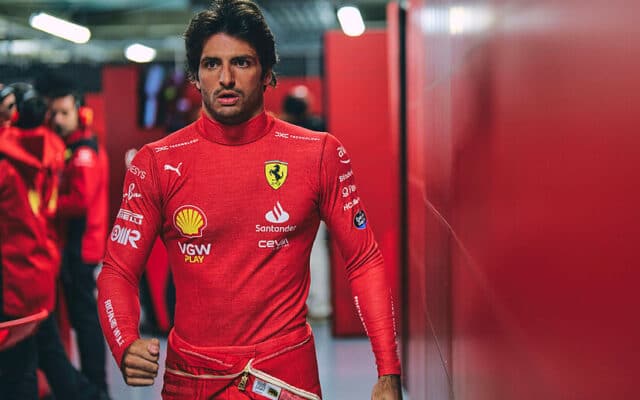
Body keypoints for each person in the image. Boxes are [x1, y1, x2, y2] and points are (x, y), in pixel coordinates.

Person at [97, 0, 402, 399]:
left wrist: (388, 370)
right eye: (211, 64)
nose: (225, 78)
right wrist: (124, 341)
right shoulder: (156, 162)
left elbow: (364, 260)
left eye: (241, 62)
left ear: (268, 73)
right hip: (192, 382)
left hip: (286, 380)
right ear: (195, 76)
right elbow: (117, 270)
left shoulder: (318, 154)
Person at [0, 83, 107, 400]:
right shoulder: (53, 149)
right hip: (39, 265)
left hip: (19, 273)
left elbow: (78, 201)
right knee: (46, 353)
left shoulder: (9, 161)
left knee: (23, 366)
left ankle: (96, 390)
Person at [48, 88, 110, 393]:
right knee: (82, 319)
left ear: (81, 113)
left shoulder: (84, 152)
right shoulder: (77, 147)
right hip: (81, 247)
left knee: (84, 320)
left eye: (65, 113)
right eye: (54, 113)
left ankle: (96, 387)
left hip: (81, 249)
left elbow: (79, 201)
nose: (58, 120)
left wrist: (45, 204)